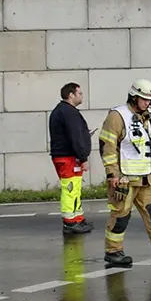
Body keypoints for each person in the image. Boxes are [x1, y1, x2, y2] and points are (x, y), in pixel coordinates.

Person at [97, 79, 151, 266]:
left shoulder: (149, 115)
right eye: (144, 99)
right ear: (134, 97)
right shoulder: (117, 116)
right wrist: (113, 174)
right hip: (124, 180)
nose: (148, 103)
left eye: (150, 100)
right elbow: (107, 146)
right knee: (121, 216)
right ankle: (113, 252)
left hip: (147, 177)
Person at [49, 82, 94, 235]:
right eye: (79, 93)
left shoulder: (62, 111)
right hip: (68, 157)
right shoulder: (69, 113)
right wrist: (83, 157)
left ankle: (77, 218)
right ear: (71, 95)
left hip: (65, 155)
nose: (82, 96)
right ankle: (70, 222)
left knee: (75, 189)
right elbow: (75, 137)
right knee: (70, 189)